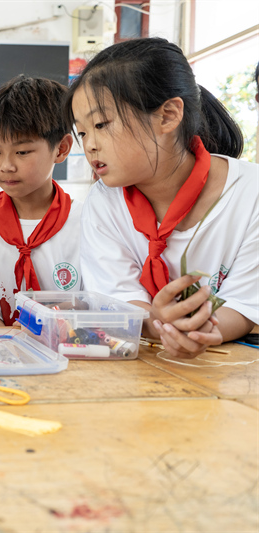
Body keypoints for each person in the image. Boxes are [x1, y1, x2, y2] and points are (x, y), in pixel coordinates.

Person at [66, 37, 257, 359]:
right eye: (82, 132)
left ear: (167, 115)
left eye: (101, 124)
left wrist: (205, 330)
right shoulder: (104, 202)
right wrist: (158, 325)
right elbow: (116, 295)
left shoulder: (250, 192)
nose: (89, 145)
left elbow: (246, 301)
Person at [0, 75, 79, 327]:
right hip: (1, 356)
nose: (6, 166)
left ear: (61, 149)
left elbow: (91, 304)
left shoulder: (86, 222)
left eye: (22, 152)